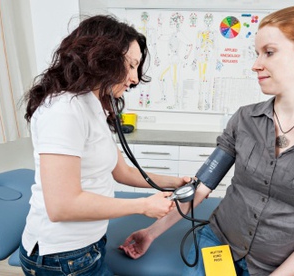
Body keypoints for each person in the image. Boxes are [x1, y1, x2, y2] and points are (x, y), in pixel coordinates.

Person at [120, 5, 294, 276]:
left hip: (279, 267)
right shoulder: (244, 119)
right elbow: (202, 185)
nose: (255, 65)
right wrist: (151, 232)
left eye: (269, 52)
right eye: (257, 53)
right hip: (217, 244)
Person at [19, 15, 189, 276]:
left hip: (87, 246)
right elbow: (61, 206)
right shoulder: (63, 111)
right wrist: (142, 205)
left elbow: (123, 172)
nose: (134, 78)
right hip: (62, 256)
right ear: (102, 58)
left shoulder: (93, 103)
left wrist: (175, 182)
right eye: (130, 66)